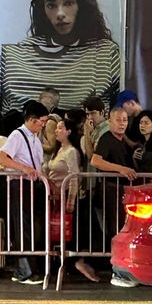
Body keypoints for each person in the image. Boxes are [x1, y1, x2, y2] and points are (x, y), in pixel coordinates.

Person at [0, 0, 123, 111]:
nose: (60, 13)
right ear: (42, 10)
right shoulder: (17, 56)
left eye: (69, 3)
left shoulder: (105, 54)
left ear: (82, 5)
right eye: (51, 5)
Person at [0, 100, 49, 285]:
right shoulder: (18, 135)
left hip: (32, 186)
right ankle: (23, 271)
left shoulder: (35, 138)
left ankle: (30, 268)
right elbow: (1, 157)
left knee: (32, 227)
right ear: (33, 120)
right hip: (19, 185)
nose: (43, 125)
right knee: (23, 227)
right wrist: (24, 168)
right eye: (42, 121)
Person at [91, 107, 141, 288]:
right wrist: (120, 169)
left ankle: (122, 270)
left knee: (121, 230)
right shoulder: (106, 139)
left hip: (120, 191)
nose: (122, 124)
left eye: (125, 120)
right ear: (110, 121)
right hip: (110, 191)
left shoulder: (121, 141)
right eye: (118, 120)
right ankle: (118, 272)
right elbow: (95, 161)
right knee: (117, 231)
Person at [45, 117, 99, 283]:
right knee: (57, 233)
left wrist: (71, 200)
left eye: (60, 128)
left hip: (65, 196)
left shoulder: (71, 152)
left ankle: (74, 262)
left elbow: (74, 177)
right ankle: (62, 264)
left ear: (69, 131)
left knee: (68, 232)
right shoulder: (59, 150)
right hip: (55, 197)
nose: (56, 131)